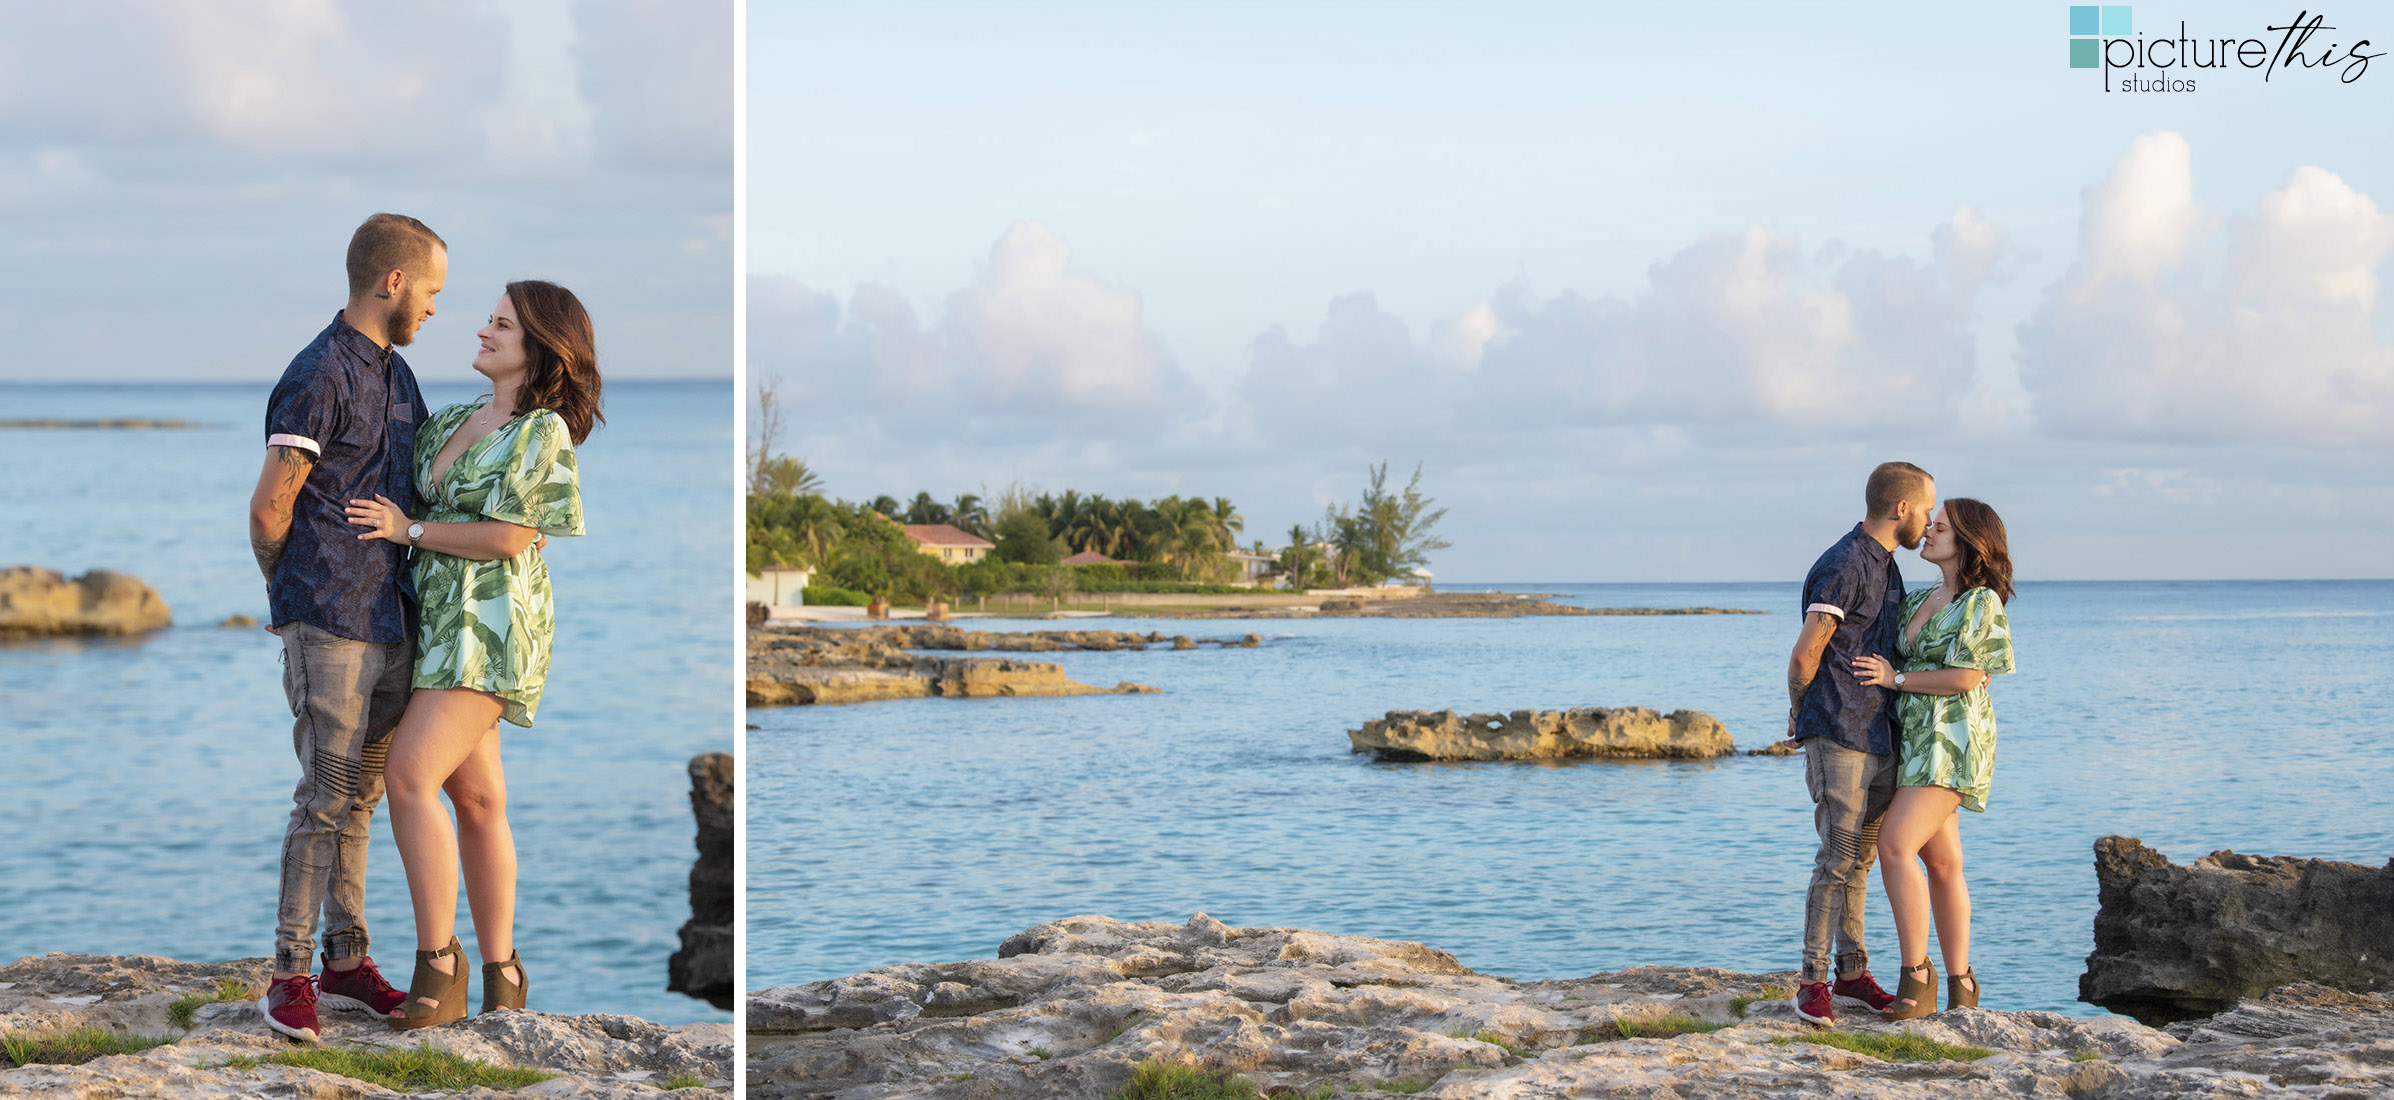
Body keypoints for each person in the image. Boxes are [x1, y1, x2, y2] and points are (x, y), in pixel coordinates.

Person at [345, 279, 599, 1029]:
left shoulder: (541, 432)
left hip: (492, 627)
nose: (483, 332)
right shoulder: (449, 420)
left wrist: (411, 532)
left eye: (502, 325)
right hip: (433, 624)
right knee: (478, 801)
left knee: (408, 775)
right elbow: (395, 492)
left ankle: (439, 965)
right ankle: (505, 974)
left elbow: (511, 538)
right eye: (488, 320)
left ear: (542, 348)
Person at [247, 213, 446, 1041]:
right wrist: (292, 597)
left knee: (360, 799)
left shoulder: (401, 379)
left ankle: (345, 963)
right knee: (324, 800)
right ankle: (290, 976)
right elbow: (268, 509)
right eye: (431, 291)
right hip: (327, 618)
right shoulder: (318, 372)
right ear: (392, 283)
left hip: (390, 618)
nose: (435, 308)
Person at [1784, 461, 1935, 1027]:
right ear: (1901, 509)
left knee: (1862, 861)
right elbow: (1805, 655)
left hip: (1879, 733)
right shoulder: (1845, 563)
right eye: (1926, 509)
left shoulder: (1889, 569)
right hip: (1840, 734)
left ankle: (1851, 973)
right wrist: (1803, 714)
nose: (1929, 520)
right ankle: (1811, 982)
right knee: (1838, 858)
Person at [1853, 499, 2016, 1019]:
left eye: (1940, 527)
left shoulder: (1981, 602)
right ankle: (1962, 987)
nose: (1927, 531)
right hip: (1913, 737)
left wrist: (1896, 679)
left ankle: (1915, 977)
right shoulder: (1920, 595)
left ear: (1968, 541)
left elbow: (1967, 678)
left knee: (1896, 844)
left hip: (1953, 739)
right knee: (1942, 864)